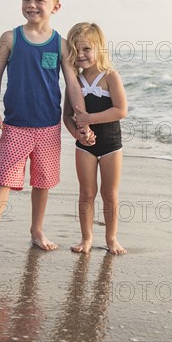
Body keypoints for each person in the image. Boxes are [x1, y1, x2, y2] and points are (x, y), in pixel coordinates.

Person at [0, 0, 94, 258]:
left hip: (48, 126)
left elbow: (72, 84)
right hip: (16, 125)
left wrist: (82, 118)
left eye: (39, 0)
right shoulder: (10, 38)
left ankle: (37, 229)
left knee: (42, 181)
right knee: (3, 180)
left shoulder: (61, 44)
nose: (31, 5)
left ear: (55, 7)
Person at [63, 22, 128, 255]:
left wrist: (90, 118)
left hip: (111, 144)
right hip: (84, 146)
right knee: (87, 193)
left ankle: (111, 239)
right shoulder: (75, 82)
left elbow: (121, 110)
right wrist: (77, 132)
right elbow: (67, 117)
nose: (80, 55)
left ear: (99, 48)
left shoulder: (110, 76)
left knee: (109, 194)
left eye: (86, 49)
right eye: (75, 50)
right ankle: (87, 238)